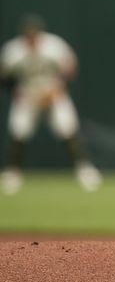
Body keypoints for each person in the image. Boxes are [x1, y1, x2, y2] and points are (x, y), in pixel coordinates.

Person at [0, 14, 102, 195]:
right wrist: (15, 91)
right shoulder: (14, 51)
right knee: (18, 129)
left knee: (67, 127)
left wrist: (58, 88)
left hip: (52, 91)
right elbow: (5, 75)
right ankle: (12, 173)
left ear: (39, 34)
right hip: (28, 94)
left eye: (34, 34)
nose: (31, 38)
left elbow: (70, 66)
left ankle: (84, 170)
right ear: (23, 35)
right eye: (28, 35)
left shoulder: (53, 46)